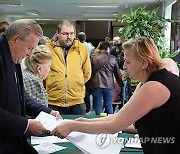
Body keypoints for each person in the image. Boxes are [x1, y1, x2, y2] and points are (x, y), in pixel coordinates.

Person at [51, 37, 180, 154]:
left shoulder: (154, 86)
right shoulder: (148, 82)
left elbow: (114, 126)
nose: (124, 66)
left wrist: (73, 126)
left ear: (144, 63)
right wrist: (86, 121)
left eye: (128, 62)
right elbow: (120, 116)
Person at [0, 19, 61, 154]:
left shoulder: (12, 55)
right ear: (15, 39)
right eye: (30, 48)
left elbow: (21, 98)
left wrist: (47, 112)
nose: (30, 54)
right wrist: (26, 125)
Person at [46, 20, 91, 115]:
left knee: (79, 129)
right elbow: (41, 73)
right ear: (57, 33)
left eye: (71, 33)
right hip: (53, 101)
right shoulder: (47, 49)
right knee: (53, 129)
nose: (69, 37)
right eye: (65, 34)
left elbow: (87, 73)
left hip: (76, 101)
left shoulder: (81, 49)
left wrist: (76, 82)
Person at [89, 41, 123, 115]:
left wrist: (87, 85)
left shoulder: (93, 58)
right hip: (109, 85)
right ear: (108, 48)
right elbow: (117, 74)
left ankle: (98, 123)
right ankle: (109, 123)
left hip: (96, 84)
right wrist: (121, 84)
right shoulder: (112, 58)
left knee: (98, 106)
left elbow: (89, 72)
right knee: (109, 105)